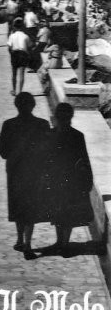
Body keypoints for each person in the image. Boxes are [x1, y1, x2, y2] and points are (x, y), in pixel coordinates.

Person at [0, 92, 50, 260]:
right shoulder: (42, 124)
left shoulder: (8, 124)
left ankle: (20, 239)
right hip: (35, 171)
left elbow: (2, 152)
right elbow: (46, 150)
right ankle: (27, 243)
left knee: (18, 205)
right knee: (30, 206)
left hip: (15, 171)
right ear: (33, 105)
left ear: (17, 106)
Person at [38, 103, 94, 256]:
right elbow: (84, 160)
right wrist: (87, 181)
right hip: (71, 180)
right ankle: (63, 243)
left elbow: (43, 159)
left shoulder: (49, 134)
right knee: (66, 212)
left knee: (57, 210)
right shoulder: (77, 135)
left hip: (54, 179)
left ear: (56, 116)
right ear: (71, 116)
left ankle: (61, 243)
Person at [6, 18, 33, 96]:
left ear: (14, 27)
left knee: (14, 73)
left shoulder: (12, 36)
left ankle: (14, 90)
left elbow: (9, 47)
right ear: (23, 27)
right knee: (21, 74)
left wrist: (11, 54)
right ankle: (20, 91)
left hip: (14, 53)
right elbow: (30, 46)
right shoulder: (25, 36)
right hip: (23, 54)